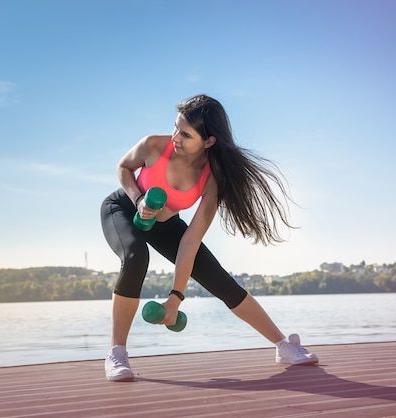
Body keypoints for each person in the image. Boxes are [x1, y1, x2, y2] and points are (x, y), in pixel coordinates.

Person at [100, 94, 318, 382]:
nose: (176, 137)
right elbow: (123, 167)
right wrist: (139, 199)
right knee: (135, 256)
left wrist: (175, 299)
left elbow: (190, 241)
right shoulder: (154, 144)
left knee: (218, 278)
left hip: (166, 225)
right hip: (123, 209)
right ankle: (117, 354)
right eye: (176, 127)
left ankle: (284, 346)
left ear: (209, 141)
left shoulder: (211, 179)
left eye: (186, 134)